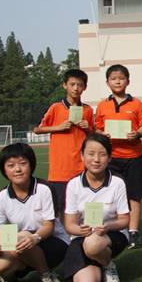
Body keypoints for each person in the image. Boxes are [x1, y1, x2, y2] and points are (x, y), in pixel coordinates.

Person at [0, 143, 69, 282]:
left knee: (21, 237)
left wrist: (34, 238)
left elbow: (49, 226)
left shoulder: (44, 189)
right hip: (23, 246)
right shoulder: (0, 198)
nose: (17, 169)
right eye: (11, 165)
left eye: (23, 163)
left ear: (31, 165)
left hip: (53, 243)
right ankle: (8, 279)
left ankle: (46, 274)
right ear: (4, 170)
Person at [63, 133, 130, 282]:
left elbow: (124, 220)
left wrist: (108, 227)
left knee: (94, 243)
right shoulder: (73, 184)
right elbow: (70, 225)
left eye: (102, 154)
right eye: (91, 154)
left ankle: (108, 266)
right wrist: (80, 230)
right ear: (82, 156)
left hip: (112, 235)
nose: (96, 159)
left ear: (110, 157)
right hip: (84, 237)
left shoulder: (117, 183)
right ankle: (97, 261)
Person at [95, 64, 142, 249]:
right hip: (111, 158)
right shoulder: (102, 105)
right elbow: (97, 128)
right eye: (113, 79)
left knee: (134, 194)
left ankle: (133, 232)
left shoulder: (136, 103)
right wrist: (102, 134)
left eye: (121, 78)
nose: (117, 82)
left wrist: (137, 134)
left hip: (134, 156)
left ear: (128, 81)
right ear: (107, 82)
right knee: (110, 194)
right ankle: (111, 228)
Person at [34, 69, 94, 224]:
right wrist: (58, 127)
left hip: (82, 165)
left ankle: (85, 231)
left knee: (85, 202)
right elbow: (38, 129)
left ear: (85, 87)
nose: (76, 88)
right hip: (60, 168)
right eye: (72, 84)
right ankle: (64, 234)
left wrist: (88, 128)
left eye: (79, 85)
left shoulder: (87, 110)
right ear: (64, 85)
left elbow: (93, 136)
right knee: (61, 205)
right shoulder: (56, 108)